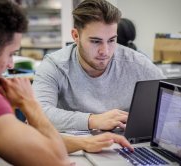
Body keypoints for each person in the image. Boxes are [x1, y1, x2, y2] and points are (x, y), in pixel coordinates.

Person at [0, 0, 133, 165]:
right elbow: (58, 161)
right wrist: (29, 103)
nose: (11, 64)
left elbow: (26, 139)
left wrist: (84, 142)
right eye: (11, 54)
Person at [32, 0, 165, 132]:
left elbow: (171, 104)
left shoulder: (136, 63)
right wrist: (93, 120)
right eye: (96, 41)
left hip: (122, 148)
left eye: (112, 40)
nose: (105, 51)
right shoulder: (55, 66)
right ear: (75, 36)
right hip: (73, 149)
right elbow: (36, 114)